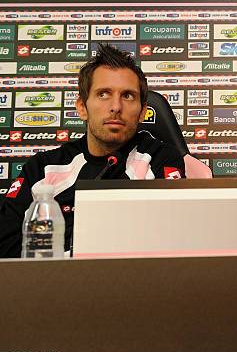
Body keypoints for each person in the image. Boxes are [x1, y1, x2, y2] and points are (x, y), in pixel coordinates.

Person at [0, 44, 186, 257]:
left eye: (127, 96)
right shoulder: (42, 168)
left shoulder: (160, 159)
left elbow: (172, 237)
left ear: (143, 111)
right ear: (82, 107)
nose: (116, 106)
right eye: (104, 94)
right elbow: (6, 245)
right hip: (53, 282)